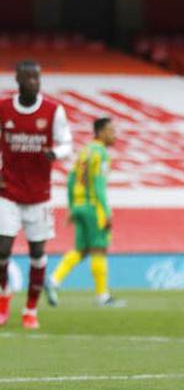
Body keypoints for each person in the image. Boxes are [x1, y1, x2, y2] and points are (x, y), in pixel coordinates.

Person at [0, 61, 72, 329]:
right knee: (2, 248)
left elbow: (67, 143)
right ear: (17, 80)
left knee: (37, 252)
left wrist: (56, 153)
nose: (34, 82)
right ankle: (4, 295)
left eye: (37, 78)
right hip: (7, 191)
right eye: (29, 78)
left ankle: (30, 309)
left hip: (39, 194)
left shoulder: (53, 111)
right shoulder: (4, 108)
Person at [46, 117, 122, 308]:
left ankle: (53, 280)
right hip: (93, 207)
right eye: (111, 131)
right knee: (99, 249)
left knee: (81, 249)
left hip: (79, 206)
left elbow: (71, 179)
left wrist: (72, 207)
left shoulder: (85, 152)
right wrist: (105, 211)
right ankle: (102, 296)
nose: (114, 135)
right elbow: (98, 184)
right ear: (101, 132)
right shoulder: (102, 154)